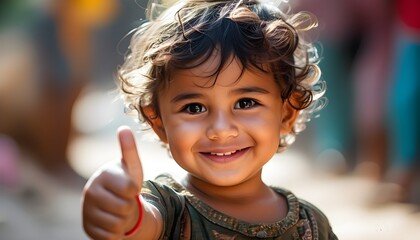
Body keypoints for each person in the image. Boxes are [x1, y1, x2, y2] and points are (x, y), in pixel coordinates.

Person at [82, 0, 338, 239]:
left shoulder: (312, 223)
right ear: (157, 122)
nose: (221, 130)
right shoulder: (170, 210)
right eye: (194, 108)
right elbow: (141, 224)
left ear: (287, 113)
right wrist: (123, 214)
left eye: (245, 103)